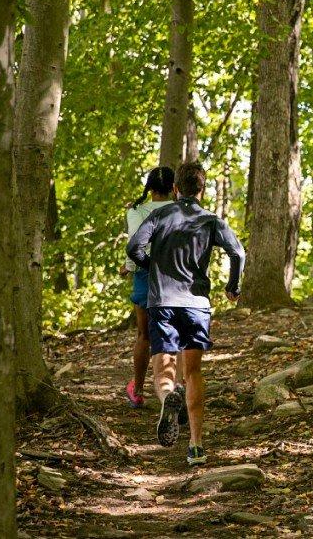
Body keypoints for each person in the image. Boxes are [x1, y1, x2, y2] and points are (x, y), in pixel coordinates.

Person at [126, 162, 245, 465]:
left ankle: (168, 398)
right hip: (196, 305)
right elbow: (238, 253)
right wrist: (232, 287)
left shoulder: (160, 214)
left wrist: (150, 265)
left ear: (176, 189)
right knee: (192, 373)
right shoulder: (210, 220)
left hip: (162, 302)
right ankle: (196, 446)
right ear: (201, 189)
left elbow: (134, 247)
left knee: (163, 368)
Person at [120, 166, 176, 409]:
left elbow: (135, 242)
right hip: (175, 274)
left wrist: (130, 268)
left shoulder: (136, 211)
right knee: (174, 334)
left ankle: (139, 391)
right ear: (173, 188)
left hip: (145, 272)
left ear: (150, 188)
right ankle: (175, 390)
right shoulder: (180, 210)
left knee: (144, 334)